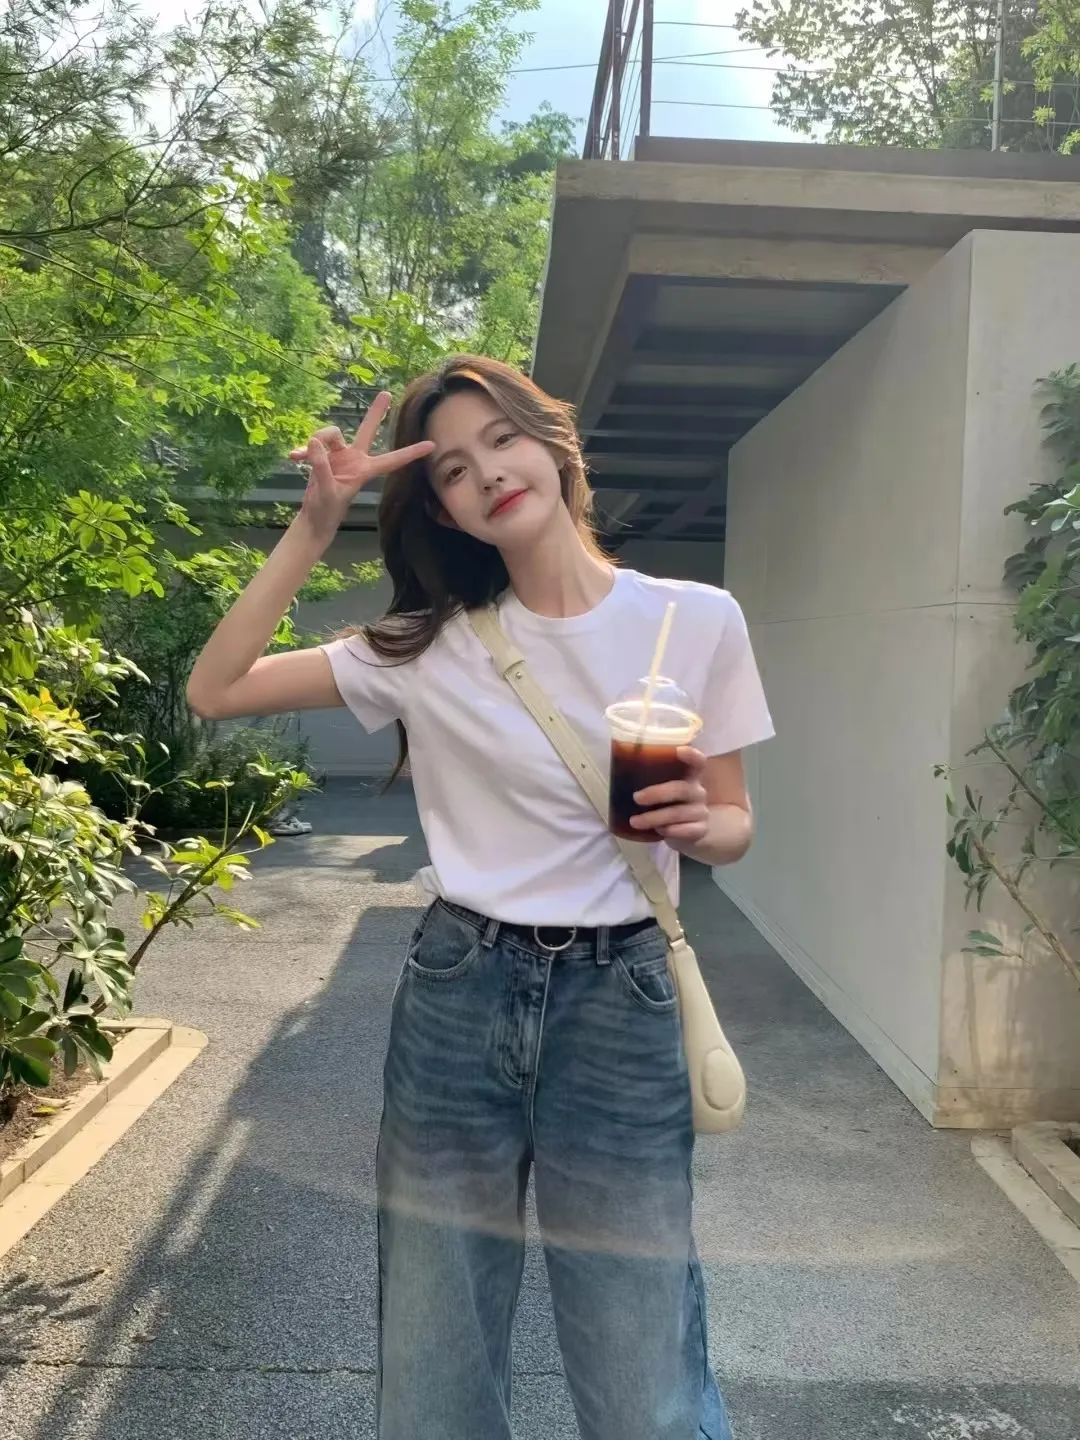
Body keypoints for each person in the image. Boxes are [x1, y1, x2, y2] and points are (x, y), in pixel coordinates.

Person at [186, 356, 774, 1440]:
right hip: (461, 987)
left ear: (557, 445)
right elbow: (216, 689)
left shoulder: (695, 620)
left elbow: (735, 822)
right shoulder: (425, 646)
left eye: (502, 440)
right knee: (434, 1355)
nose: (487, 473)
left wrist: (703, 824)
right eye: (454, 469)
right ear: (446, 510)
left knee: (640, 1358)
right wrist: (314, 528)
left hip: (624, 991)